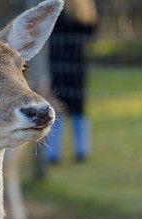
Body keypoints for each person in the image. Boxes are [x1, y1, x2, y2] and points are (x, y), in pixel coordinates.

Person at [43, 0, 97, 163]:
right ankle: (81, 150)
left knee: (56, 107)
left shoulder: (58, 13)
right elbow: (91, 34)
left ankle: (53, 153)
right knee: (78, 108)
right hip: (78, 66)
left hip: (58, 66)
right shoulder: (85, 14)